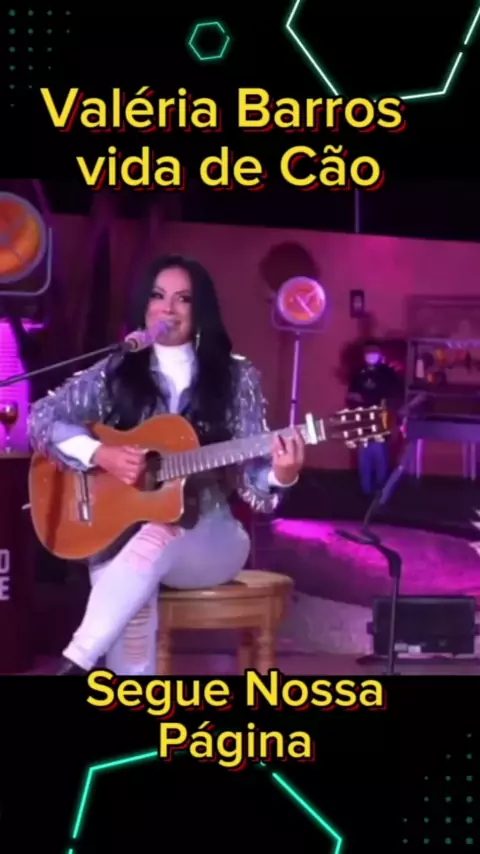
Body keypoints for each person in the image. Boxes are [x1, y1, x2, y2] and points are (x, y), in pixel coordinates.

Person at [27, 255, 305, 676]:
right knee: (132, 583)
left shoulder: (236, 377)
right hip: (124, 537)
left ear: (200, 309)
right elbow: (42, 417)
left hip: (210, 539)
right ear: (144, 306)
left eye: (183, 299)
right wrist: (99, 454)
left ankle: (76, 661)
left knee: (155, 536)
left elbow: (253, 480)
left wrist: (280, 474)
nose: (167, 309)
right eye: (158, 296)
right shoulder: (117, 370)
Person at [346, 339, 402, 495]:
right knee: (364, 454)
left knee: (380, 452)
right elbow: (351, 395)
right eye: (368, 352)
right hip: (362, 418)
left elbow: (394, 394)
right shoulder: (358, 374)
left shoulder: (388, 373)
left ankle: (381, 490)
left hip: (381, 417)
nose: (371, 355)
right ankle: (365, 489)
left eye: (374, 352)